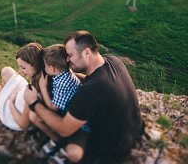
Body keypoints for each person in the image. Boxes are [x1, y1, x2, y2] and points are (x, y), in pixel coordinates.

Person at [24, 31, 143, 163]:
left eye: (70, 55)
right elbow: (90, 79)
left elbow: (64, 129)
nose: (67, 60)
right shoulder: (113, 61)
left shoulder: (90, 91)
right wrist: (65, 75)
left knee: (41, 119)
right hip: (134, 131)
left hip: (113, 149)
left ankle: (59, 145)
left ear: (86, 52)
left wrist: (34, 102)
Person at [29, 44, 89, 161]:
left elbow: (53, 108)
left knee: (40, 116)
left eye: (45, 66)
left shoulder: (62, 84)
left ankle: (60, 143)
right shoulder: (65, 73)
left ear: (51, 69)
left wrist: (43, 87)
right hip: (70, 111)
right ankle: (58, 141)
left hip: (76, 122)